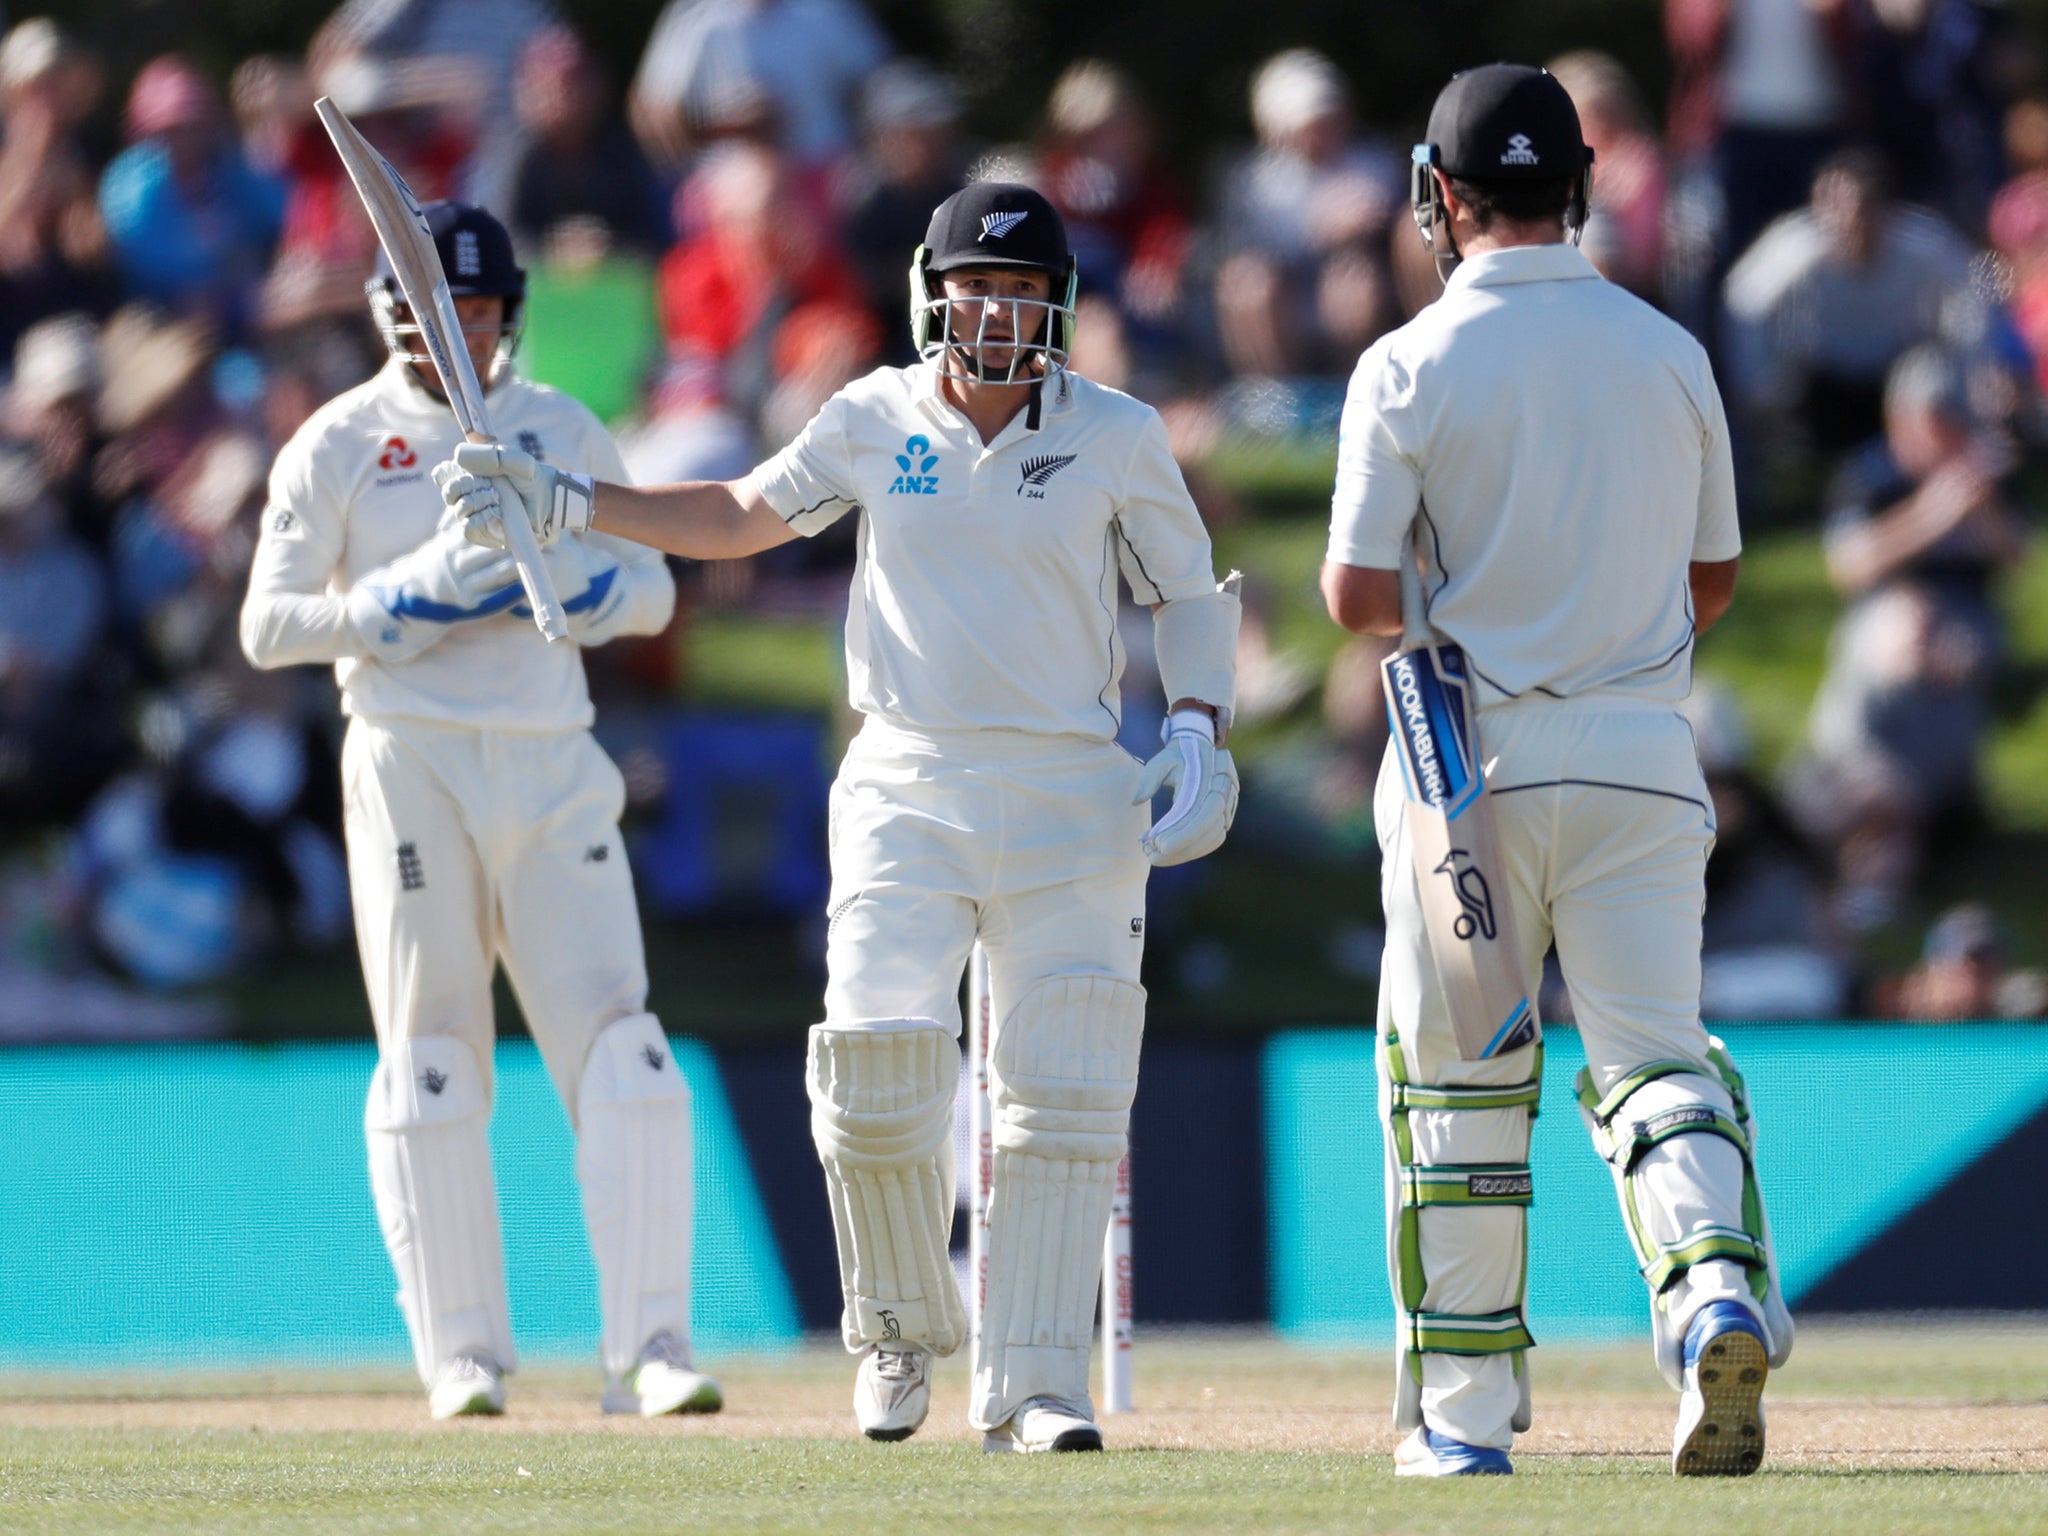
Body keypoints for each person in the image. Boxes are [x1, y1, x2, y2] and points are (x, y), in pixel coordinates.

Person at [435, 182, 1241, 1451]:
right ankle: (896, 1330)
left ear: (1060, 307)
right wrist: (575, 500)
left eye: (1024, 292)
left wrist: (1195, 722)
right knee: (870, 1069)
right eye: (978, 287)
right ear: (933, 294)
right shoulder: (873, 414)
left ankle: (1034, 1384)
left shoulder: (1117, 433)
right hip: (904, 778)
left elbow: (1189, 594)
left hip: (1068, 788)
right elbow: (740, 514)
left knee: (1063, 1092)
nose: (998, 311)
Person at [1319, 65, 1793, 1478]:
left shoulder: (1406, 362)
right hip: (1646, 761)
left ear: (1439, 197)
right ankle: (1710, 1285)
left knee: (1460, 1078)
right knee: (1654, 1053)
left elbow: (1355, 598)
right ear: (1577, 188)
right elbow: (1713, 578)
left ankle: (1465, 1422)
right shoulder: (1667, 349)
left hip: (1473, 767)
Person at [237, 200, 719, 1422]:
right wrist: (410, 598)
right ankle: (463, 1358)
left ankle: (651, 1349)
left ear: (508, 315)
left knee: (627, 1051)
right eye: (419, 304)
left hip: (551, 760)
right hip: (410, 759)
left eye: (470, 306)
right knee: (431, 1062)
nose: (444, 326)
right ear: (383, 311)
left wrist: (554, 558)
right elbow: (265, 623)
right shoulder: (338, 445)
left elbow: (655, 595)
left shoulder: (556, 426)